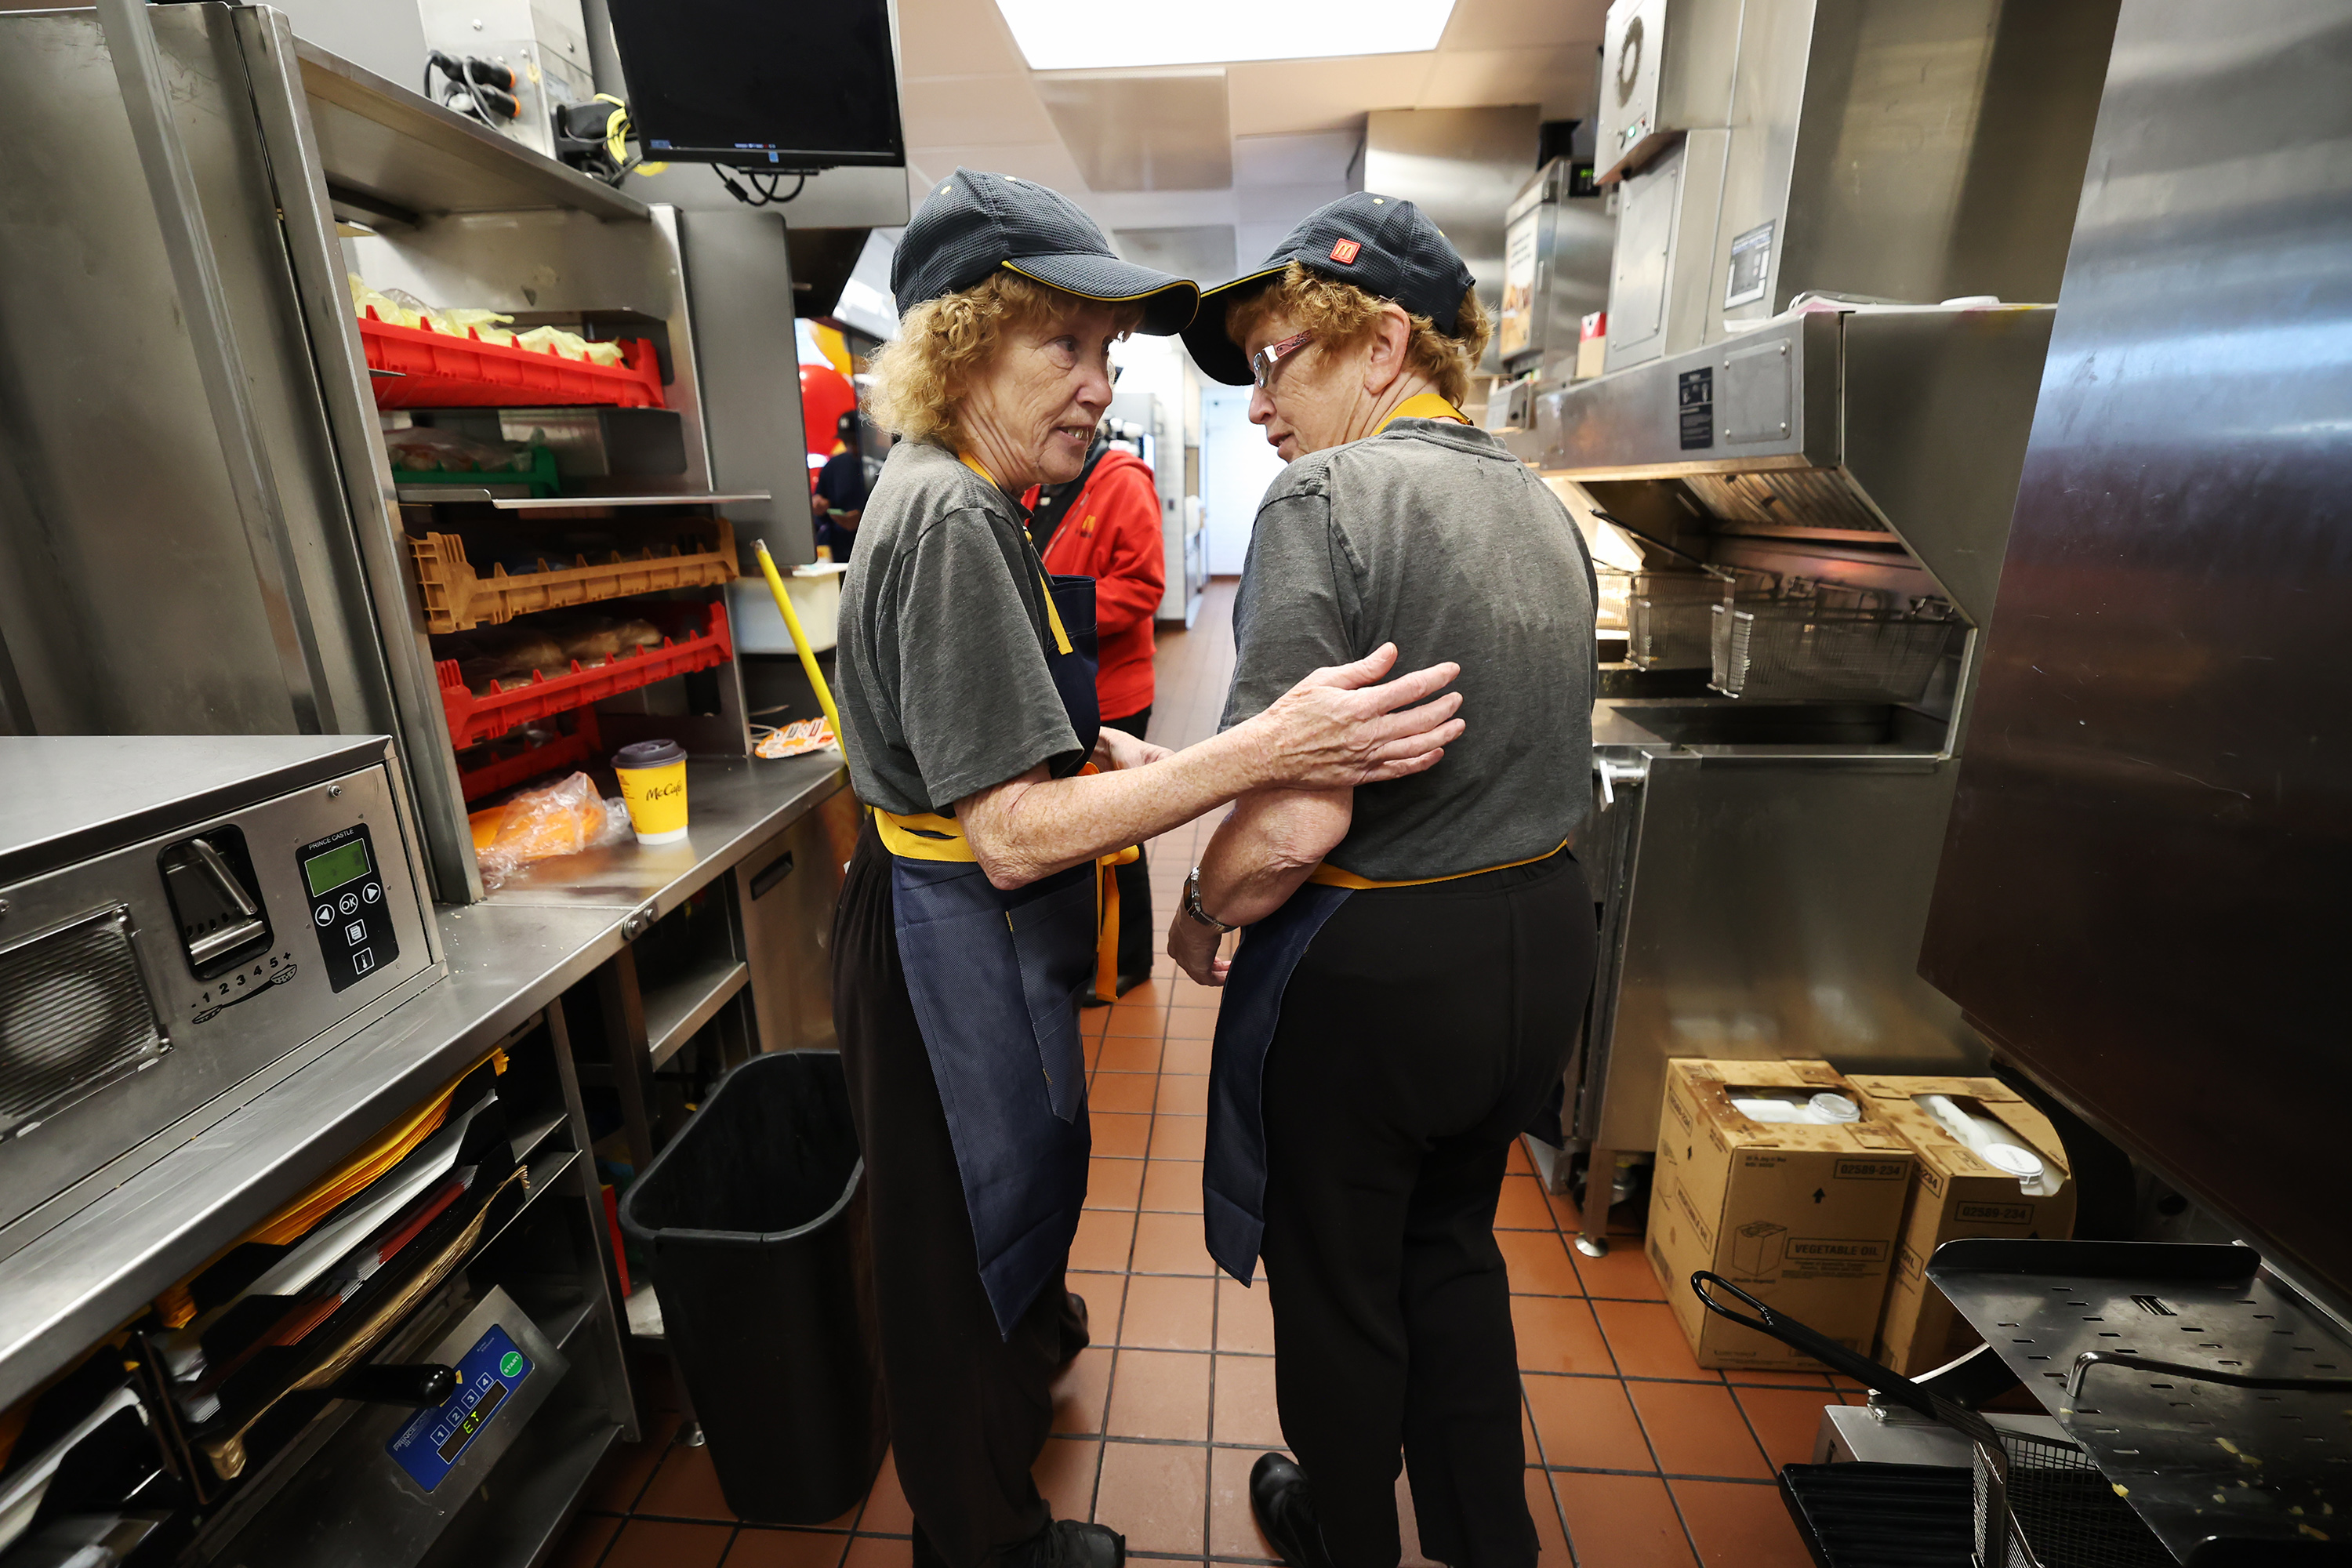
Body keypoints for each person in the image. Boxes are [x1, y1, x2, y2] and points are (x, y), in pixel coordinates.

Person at [832, 169, 1470, 1568]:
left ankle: (1021, 1373)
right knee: (952, 1251)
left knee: (1007, 1201)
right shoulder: (951, 518)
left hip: (972, 931)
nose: (1097, 385)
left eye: (1106, 352)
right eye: (1062, 344)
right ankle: (984, 1545)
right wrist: (1262, 751)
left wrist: (1098, 751)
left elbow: (981, 741)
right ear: (959, 348)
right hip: (945, 936)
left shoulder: (974, 497)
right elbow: (1007, 834)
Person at [1168, 193, 1600, 1568]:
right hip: (1538, 946)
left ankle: (1342, 1533)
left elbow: (1293, 824)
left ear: (1382, 343)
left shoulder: (1324, 498)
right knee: (1452, 1250)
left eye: (1275, 357)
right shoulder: (1541, 505)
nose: (1258, 403)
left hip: (1381, 972)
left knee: (1341, 1286)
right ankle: (1486, 1542)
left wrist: (1199, 908)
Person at [1021, 422, 1166, 995]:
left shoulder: (1123, 481)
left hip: (1114, 690)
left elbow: (1143, 586)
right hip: (1060, 689)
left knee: (1119, 828)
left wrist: (1051, 614)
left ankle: (1130, 959)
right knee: (1082, 829)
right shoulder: (1038, 486)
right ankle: (1090, 951)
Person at [813, 408, 869, 560]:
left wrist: (864, 519)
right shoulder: (834, 466)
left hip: (874, 550)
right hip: (841, 553)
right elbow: (819, 507)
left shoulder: (880, 465)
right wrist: (819, 507)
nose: (851, 447)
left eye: (854, 441)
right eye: (846, 442)